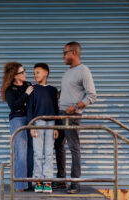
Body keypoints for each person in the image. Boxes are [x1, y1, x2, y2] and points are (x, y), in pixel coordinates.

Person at [53, 41, 97, 194]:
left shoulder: (83, 71)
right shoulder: (67, 72)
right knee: (58, 146)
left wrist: (76, 106)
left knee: (73, 148)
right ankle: (61, 180)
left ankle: (75, 183)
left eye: (65, 52)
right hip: (60, 114)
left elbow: (92, 96)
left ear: (74, 53)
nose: (63, 56)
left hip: (71, 115)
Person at [0, 62, 34, 192]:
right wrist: (26, 94)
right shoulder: (10, 89)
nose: (25, 73)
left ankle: (29, 182)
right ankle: (20, 185)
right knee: (21, 151)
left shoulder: (28, 85)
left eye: (24, 71)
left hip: (30, 119)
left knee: (31, 151)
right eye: (22, 72)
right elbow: (14, 106)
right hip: (17, 119)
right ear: (14, 75)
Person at [27, 63, 59, 193]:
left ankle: (48, 181)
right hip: (38, 122)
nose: (35, 75)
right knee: (38, 153)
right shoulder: (33, 89)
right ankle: (38, 180)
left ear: (46, 73)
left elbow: (56, 108)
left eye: (38, 72)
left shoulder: (52, 90)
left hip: (51, 123)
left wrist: (57, 127)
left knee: (49, 153)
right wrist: (31, 125)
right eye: (34, 73)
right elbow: (29, 108)